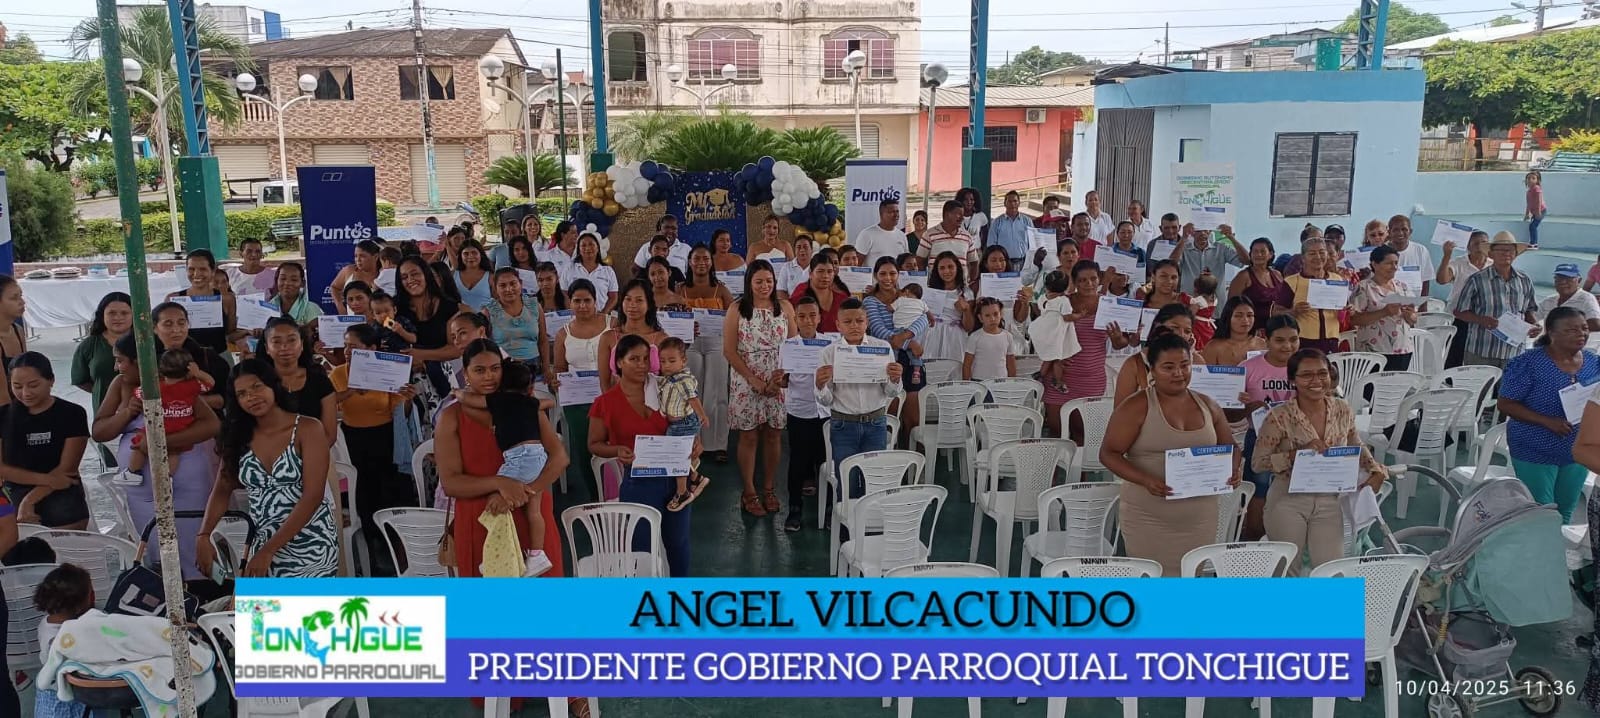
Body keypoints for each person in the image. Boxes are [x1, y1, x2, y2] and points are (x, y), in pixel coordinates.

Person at [90, 334, 222, 597]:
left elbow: (211, 425)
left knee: (191, 546)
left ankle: (203, 598)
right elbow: (99, 431)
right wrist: (128, 412)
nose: (116, 367)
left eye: (121, 361)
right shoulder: (120, 385)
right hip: (143, 492)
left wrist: (159, 442)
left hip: (187, 484)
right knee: (156, 549)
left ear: (141, 362)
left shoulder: (178, 384)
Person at [1099, 332, 1239, 576]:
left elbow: (1232, 447)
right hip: (1148, 517)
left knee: (1190, 581)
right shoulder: (1136, 406)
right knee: (1152, 581)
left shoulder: (1208, 405)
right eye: (1168, 367)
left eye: (1185, 365)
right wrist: (1146, 480)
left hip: (1200, 517)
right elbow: (1109, 454)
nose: (1179, 373)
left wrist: (1233, 469)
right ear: (1152, 369)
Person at [438, 339, 568, 578]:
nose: (489, 377)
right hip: (481, 522)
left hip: (530, 522)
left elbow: (559, 458)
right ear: (466, 374)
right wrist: (501, 484)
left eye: (495, 369)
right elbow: (451, 483)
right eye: (479, 370)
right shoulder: (451, 417)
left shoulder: (525, 408)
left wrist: (525, 491)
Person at [198, 359, 338, 578]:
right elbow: (221, 490)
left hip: (311, 542)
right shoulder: (238, 436)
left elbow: (313, 496)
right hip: (261, 541)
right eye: (242, 394)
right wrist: (203, 535)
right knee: (257, 600)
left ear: (273, 385)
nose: (251, 397)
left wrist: (269, 550)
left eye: (257, 387)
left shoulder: (308, 428)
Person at [1253, 348, 1388, 574]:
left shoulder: (1342, 409)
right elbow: (1258, 463)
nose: (1316, 381)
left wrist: (1375, 469)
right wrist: (1295, 455)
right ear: (1292, 380)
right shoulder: (1279, 416)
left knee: (1330, 570)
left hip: (1329, 498)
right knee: (1287, 571)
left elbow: (1356, 444)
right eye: (1306, 375)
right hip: (1288, 499)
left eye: (1322, 373)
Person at [590, 334, 693, 576]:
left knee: (678, 543)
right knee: (641, 548)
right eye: (634, 359)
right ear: (619, 362)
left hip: (676, 478)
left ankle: (680, 591)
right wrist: (617, 450)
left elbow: (689, 421)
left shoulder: (666, 388)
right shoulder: (605, 402)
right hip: (638, 482)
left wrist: (694, 441)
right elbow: (594, 444)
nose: (642, 365)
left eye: (646, 359)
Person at [329, 323, 416, 576]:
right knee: (363, 496)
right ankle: (372, 555)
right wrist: (350, 391)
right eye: (346, 346)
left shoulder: (387, 369)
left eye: (354, 347)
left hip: (385, 438)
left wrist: (407, 398)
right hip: (353, 440)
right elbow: (328, 403)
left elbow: (400, 412)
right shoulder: (339, 374)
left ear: (372, 349)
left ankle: (397, 553)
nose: (347, 352)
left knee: (390, 493)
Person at [1498, 306, 1598, 524]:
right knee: (1541, 513)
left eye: (1584, 328)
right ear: (1551, 332)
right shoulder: (1528, 363)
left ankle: (1558, 544)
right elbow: (1505, 404)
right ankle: (1539, 545)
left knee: (1566, 509)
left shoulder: (1593, 362)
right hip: (1535, 447)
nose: (1581, 334)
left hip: (1576, 449)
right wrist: (1546, 421)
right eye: (1571, 330)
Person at [722, 260, 796, 516]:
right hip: (746, 377)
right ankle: (749, 491)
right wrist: (753, 380)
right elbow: (729, 351)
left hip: (778, 378)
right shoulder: (737, 309)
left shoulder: (785, 307)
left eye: (769, 281)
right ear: (749, 283)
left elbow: (794, 345)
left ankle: (769, 488)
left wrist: (780, 379)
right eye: (759, 281)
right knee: (749, 435)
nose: (765, 286)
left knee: (774, 434)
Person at [816, 298, 905, 492]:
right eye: (847, 322)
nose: (854, 326)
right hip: (843, 424)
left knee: (873, 483)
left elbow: (891, 392)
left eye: (859, 321)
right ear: (838, 325)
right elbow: (826, 400)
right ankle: (846, 513)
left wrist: (895, 379)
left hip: (876, 423)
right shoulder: (829, 353)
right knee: (847, 483)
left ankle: (868, 513)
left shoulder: (882, 347)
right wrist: (820, 386)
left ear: (867, 322)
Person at [0, 352, 90, 530]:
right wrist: (47, 479)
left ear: (51, 380)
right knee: (9, 531)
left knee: (63, 522)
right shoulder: (3, 416)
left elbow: (67, 469)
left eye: (33, 385)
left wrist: (29, 500)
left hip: (60, 491)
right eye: (17, 386)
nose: (25, 393)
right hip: (15, 490)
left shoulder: (73, 413)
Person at [115, 348, 212, 485]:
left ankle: (133, 472)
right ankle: (167, 478)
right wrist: (198, 373)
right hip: (181, 429)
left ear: (160, 370)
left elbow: (138, 393)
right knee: (174, 453)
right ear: (188, 370)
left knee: (139, 446)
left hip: (159, 427)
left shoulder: (156, 387)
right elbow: (210, 383)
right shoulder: (193, 386)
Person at [553, 280, 608, 499]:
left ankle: (615, 495)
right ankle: (596, 497)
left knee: (614, 447)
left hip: (611, 396)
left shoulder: (612, 324)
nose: (582, 306)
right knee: (586, 450)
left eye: (587, 300)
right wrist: (557, 381)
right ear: (570, 302)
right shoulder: (563, 334)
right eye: (577, 301)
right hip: (578, 402)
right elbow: (559, 368)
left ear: (596, 301)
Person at [680, 244, 736, 464]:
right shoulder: (680, 289)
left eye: (705, 259)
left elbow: (733, 316)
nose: (701, 263)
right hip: (689, 344)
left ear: (711, 263)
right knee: (693, 393)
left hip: (716, 343)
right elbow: (672, 315)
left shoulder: (721, 289)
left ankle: (718, 444)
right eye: (697, 259)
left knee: (717, 392)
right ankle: (695, 443)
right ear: (690, 262)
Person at [1453, 232, 1539, 369]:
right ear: (1491, 254)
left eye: (1510, 250)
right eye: (1501, 250)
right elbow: (1459, 312)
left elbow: (1529, 309)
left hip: (1513, 352)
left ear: (1516, 254)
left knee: (1509, 384)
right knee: (1480, 384)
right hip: (1482, 350)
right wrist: (1481, 320)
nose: (1506, 254)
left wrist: (1534, 324)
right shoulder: (1476, 280)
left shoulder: (1524, 280)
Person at [396, 256, 474, 398]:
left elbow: (456, 349)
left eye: (415, 274)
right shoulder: (394, 308)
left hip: (442, 381)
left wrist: (420, 355)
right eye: (404, 277)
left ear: (426, 274)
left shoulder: (449, 307)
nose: (410, 280)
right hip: (403, 382)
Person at [782, 296, 828, 530]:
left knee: (825, 462)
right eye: (802, 316)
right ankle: (795, 508)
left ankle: (828, 510)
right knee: (798, 462)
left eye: (812, 315)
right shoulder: (788, 346)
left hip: (825, 411)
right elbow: (783, 379)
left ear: (819, 318)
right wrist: (779, 380)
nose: (808, 320)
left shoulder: (830, 344)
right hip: (799, 410)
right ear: (795, 319)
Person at [656, 337, 711, 511]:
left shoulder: (683, 380)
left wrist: (702, 415)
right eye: (663, 361)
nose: (667, 365)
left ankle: (682, 492)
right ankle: (695, 477)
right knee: (676, 454)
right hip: (676, 424)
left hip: (684, 424)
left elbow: (693, 399)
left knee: (677, 457)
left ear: (683, 360)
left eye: (672, 361)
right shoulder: (667, 378)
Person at [32, 563, 93, 718]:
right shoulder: (60, 639)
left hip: (58, 691)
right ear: (78, 606)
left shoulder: (47, 622)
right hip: (57, 698)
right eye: (90, 593)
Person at [1349, 245, 1419, 371]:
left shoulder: (1402, 286)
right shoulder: (1364, 287)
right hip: (1374, 349)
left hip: (1402, 347)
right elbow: (1354, 319)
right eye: (1389, 263)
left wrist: (1410, 316)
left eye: (1396, 263)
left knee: (1398, 382)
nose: (1394, 267)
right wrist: (1384, 312)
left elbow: (1414, 318)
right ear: (1375, 264)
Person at [1112, 304, 1196, 406]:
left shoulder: (1197, 361)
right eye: (1175, 327)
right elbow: (1120, 410)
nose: (1181, 334)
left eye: (1187, 331)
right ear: (1158, 326)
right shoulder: (1135, 364)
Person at [483, 267, 551, 384]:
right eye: (502, 285)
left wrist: (546, 369)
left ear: (521, 284)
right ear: (495, 288)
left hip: (534, 368)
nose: (509, 289)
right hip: (503, 369)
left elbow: (543, 340)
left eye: (513, 284)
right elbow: (485, 345)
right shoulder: (489, 311)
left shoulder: (534, 306)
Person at [598, 280, 669, 390]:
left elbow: (668, 379)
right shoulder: (608, 338)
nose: (632, 305)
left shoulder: (661, 339)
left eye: (639, 300)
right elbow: (604, 383)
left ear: (649, 304)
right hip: (618, 398)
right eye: (628, 299)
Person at [1282, 238, 1348, 354]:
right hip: (1303, 340)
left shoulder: (1336, 279)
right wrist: (1293, 312)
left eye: (1322, 252)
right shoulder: (1292, 282)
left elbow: (1343, 309)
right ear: (1303, 258)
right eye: (1312, 253)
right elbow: (1276, 313)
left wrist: (1348, 310)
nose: (1318, 257)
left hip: (1331, 340)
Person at [71, 292, 133, 414]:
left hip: (142, 412)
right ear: (102, 315)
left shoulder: (147, 343)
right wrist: (104, 392)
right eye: (112, 313)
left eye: (124, 313)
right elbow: (80, 380)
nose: (118, 317)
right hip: (105, 414)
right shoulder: (89, 345)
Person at [167, 249, 236, 357]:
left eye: (203, 269)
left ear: (213, 271)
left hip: (219, 358)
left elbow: (231, 332)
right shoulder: (173, 299)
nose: (196, 274)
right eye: (191, 269)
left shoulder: (227, 299)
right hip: (185, 360)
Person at [1438, 230, 1492, 368]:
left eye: (1484, 243)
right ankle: (1450, 379)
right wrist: (1446, 256)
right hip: (1459, 316)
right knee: (1455, 355)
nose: (1480, 246)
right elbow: (1442, 279)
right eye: (1475, 243)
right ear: (1468, 246)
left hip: (1483, 318)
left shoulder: (1493, 265)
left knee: (1478, 357)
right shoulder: (1459, 263)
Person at [1227, 238, 1289, 336]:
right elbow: (1231, 306)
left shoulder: (1277, 274)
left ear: (1270, 254)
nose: (1258, 255)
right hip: (1253, 330)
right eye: (1255, 251)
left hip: (1276, 329)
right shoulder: (1243, 277)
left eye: (1262, 251)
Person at [1201, 296, 1266, 368]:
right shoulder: (1213, 347)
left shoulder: (1262, 344)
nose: (1245, 320)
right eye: (1238, 316)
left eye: (1249, 315)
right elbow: (1204, 374)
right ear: (1228, 318)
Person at [563, 230, 619, 313]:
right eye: (583, 245)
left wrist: (603, 313)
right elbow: (565, 294)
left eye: (591, 244)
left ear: (598, 248)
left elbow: (613, 297)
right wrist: (573, 313)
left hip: (600, 315)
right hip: (576, 316)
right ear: (578, 249)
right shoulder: (569, 268)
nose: (588, 248)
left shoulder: (608, 271)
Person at [792, 252, 850, 333]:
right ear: (810, 273)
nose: (825, 276)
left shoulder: (843, 299)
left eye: (829, 271)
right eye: (820, 271)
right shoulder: (798, 299)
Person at [963, 297, 1015, 381]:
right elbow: (967, 364)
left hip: (1001, 382)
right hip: (979, 381)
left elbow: (1011, 363)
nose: (992, 319)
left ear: (1001, 314)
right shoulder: (975, 337)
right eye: (987, 315)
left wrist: (1012, 383)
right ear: (980, 318)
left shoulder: (1008, 336)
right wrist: (966, 384)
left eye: (995, 314)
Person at [1539, 263, 1600, 331]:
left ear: (1579, 280)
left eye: (1568, 279)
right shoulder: (1548, 301)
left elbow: (1595, 324)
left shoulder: (1587, 299)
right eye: (1559, 278)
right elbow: (1533, 318)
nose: (1563, 282)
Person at [918, 200, 978, 266]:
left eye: (962, 215)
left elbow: (974, 262)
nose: (962, 218)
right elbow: (919, 261)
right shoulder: (929, 235)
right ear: (947, 214)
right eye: (959, 214)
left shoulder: (967, 236)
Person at [331, 240, 383, 314]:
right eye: (356, 256)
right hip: (352, 319)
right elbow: (334, 287)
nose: (358, 260)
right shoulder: (349, 270)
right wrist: (340, 306)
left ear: (376, 257)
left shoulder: (384, 274)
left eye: (362, 256)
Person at [1386, 215, 1432, 297]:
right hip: (1388, 301)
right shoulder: (1381, 252)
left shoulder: (1421, 250)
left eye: (1404, 229)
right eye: (1396, 230)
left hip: (1414, 302)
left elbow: (1426, 280)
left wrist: (1422, 302)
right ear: (1389, 232)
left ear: (1410, 231)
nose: (1400, 233)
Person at [452, 239, 495, 310]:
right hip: (460, 316)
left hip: (486, 316)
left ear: (481, 254)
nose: (470, 256)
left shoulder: (491, 276)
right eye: (466, 253)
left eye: (474, 253)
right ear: (460, 256)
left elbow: (497, 302)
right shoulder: (453, 275)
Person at [780, 235, 816, 300]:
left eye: (805, 247)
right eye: (798, 247)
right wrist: (789, 304)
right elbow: (781, 291)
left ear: (812, 250)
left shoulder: (817, 266)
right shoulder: (786, 267)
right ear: (794, 250)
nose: (802, 250)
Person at [1190, 273, 1219, 349]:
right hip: (1208, 325)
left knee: (1199, 341)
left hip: (1198, 326)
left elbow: (1190, 314)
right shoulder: (1215, 299)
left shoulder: (1199, 301)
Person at [1525, 169, 1546, 248]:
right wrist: (1527, 214)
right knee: (1532, 226)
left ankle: (1534, 243)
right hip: (1534, 212)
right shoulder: (1529, 192)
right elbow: (1529, 204)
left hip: (1541, 210)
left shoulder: (1537, 188)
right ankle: (1533, 242)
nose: (1530, 180)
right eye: (1528, 178)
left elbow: (1539, 201)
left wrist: (1538, 212)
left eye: (1533, 178)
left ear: (1537, 180)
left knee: (1533, 226)